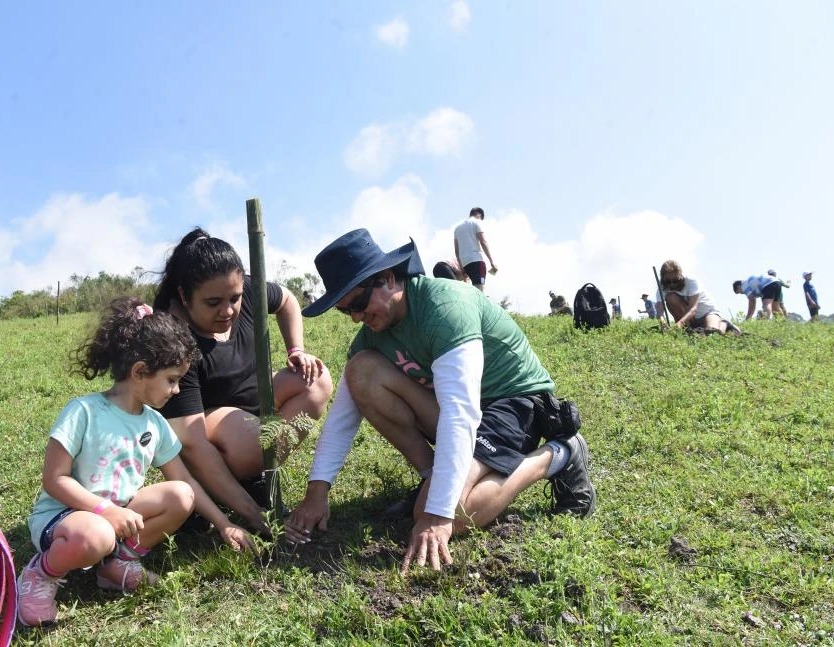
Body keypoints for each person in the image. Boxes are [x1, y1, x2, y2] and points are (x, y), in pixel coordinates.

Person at [286, 229, 594, 574]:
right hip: (466, 413)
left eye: (358, 304)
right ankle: (435, 477)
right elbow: (342, 419)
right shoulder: (372, 337)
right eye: (347, 312)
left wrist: (436, 515)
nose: (357, 318)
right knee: (361, 371)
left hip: (515, 403)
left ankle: (559, 455)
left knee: (452, 513)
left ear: (387, 279)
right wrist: (316, 494)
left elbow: (461, 414)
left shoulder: (445, 307)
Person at [17, 298, 255, 628]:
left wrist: (223, 523)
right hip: (66, 517)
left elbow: (185, 482)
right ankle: (40, 574)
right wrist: (105, 511)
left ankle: (117, 564)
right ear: (140, 372)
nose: (176, 390)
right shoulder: (84, 411)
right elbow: (54, 480)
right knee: (96, 535)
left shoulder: (155, 424)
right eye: (172, 380)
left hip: (118, 514)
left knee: (180, 496)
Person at [153, 227, 333, 533]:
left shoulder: (244, 290)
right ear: (184, 296)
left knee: (316, 380)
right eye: (213, 303)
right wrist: (254, 514)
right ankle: (230, 489)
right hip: (207, 429)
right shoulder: (173, 338)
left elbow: (287, 300)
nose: (228, 310)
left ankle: (253, 478)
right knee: (252, 442)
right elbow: (191, 443)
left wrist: (296, 350)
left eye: (234, 298)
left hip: (255, 400)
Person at [658, 260, 738, 334]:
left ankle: (724, 324)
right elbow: (660, 309)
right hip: (691, 320)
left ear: (681, 275)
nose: (672, 284)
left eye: (675, 280)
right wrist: (662, 321)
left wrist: (679, 324)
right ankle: (689, 329)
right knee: (671, 298)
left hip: (707, 313)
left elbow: (693, 309)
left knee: (713, 332)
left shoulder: (691, 281)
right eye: (668, 281)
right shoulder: (662, 286)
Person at [454, 207, 498, 292]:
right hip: (476, 260)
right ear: (479, 215)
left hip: (465, 263)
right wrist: (492, 261)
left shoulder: (457, 228)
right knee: (479, 289)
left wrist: (462, 267)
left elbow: (457, 251)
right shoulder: (476, 222)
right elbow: (483, 242)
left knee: (474, 289)